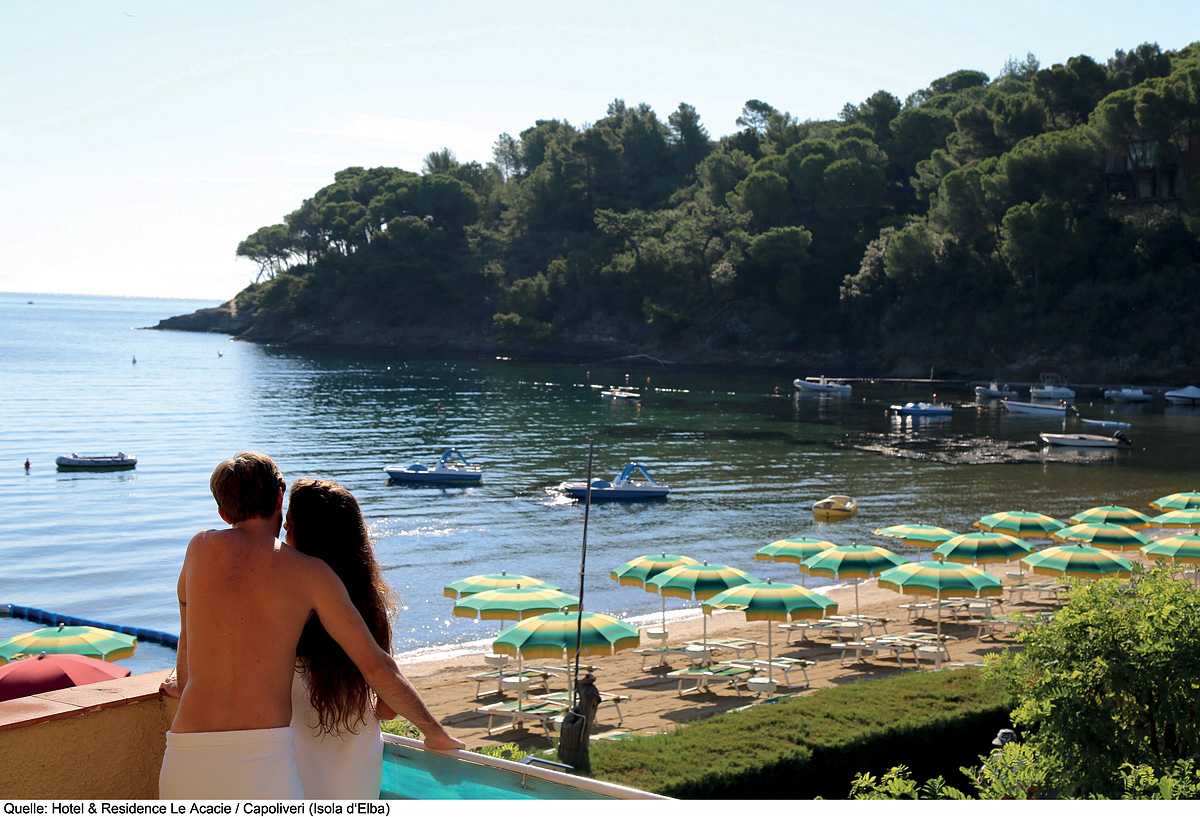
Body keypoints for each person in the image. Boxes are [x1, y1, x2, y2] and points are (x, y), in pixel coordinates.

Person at [159, 452, 462, 800]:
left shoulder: (198, 547)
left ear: (223, 514)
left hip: (184, 752)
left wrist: (185, 685)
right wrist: (434, 732)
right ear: (279, 498)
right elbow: (378, 668)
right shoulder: (310, 574)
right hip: (261, 757)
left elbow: (188, 635)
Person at [284, 477, 397, 799]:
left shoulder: (286, 605)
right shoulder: (370, 606)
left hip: (293, 766)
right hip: (358, 767)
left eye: (289, 525)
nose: (284, 533)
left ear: (307, 536)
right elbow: (388, 707)